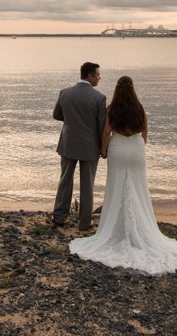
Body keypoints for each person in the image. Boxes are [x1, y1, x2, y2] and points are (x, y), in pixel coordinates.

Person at [69, 75, 177, 275]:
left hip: (119, 149)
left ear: (116, 90)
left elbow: (106, 131)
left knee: (116, 187)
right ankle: (142, 228)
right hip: (136, 148)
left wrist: (103, 150)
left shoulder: (112, 109)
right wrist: (140, 146)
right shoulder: (140, 109)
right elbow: (145, 131)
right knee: (138, 188)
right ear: (133, 90)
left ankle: (115, 228)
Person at [51, 61, 107, 230]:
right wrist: (103, 147)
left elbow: (56, 115)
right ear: (89, 76)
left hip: (68, 143)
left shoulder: (65, 93)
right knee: (87, 185)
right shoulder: (99, 97)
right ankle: (84, 222)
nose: (99, 77)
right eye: (98, 75)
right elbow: (101, 125)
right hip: (90, 146)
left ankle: (59, 217)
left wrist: (72, 123)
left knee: (65, 181)